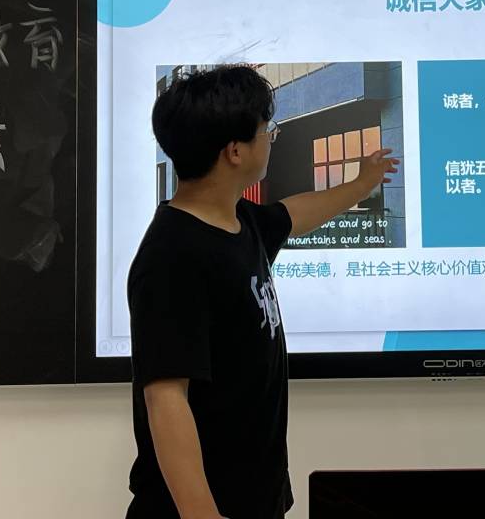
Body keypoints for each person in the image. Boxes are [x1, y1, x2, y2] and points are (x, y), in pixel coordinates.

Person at [126, 64, 398, 519]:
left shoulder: (240, 222)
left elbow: (296, 214)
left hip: (253, 497)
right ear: (234, 151)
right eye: (266, 131)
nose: (272, 138)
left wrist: (360, 184)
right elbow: (166, 397)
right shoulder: (172, 255)